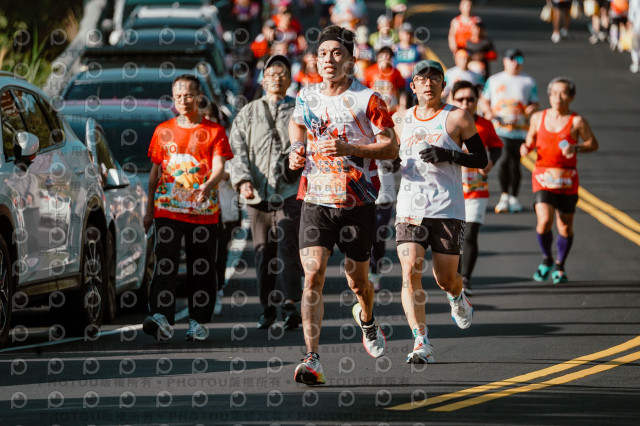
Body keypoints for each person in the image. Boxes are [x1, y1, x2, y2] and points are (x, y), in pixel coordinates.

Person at [288, 25, 399, 385]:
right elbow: (296, 125)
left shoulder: (368, 99)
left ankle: (367, 318)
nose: (329, 60)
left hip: (357, 201)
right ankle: (312, 358)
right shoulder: (306, 96)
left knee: (357, 280)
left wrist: (350, 148)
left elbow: (391, 146)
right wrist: (296, 149)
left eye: (337, 53)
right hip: (316, 198)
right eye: (323, 54)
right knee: (313, 275)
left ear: (351, 60)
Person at [394, 60, 487, 364]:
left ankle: (457, 297)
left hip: (447, 207)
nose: (429, 83)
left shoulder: (458, 117)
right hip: (410, 208)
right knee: (410, 271)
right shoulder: (400, 120)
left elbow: (481, 158)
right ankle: (421, 340)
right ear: (413, 86)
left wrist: (448, 154)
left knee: (445, 278)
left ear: (443, 85)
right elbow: (389, 156)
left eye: (435, 78)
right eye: (422, 79)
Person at [142, 74, 233, 341]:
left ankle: (198, 321)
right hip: (167, 209)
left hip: (202, 211)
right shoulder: (163, 130)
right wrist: (149, 211)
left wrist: (208, 185)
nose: (183, 100)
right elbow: (155, 174)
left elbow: (219, 168)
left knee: (201, 267)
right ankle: (161, 316)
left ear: (199, 97)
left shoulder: (214, 131)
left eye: (188, 95)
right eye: (178, 96)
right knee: (165, 263)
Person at [229, 55, 304, 330]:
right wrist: (242, 180)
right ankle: (267, 307)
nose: (276, 78)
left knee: (288, 247)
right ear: (263, 79)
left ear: (289, 79)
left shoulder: (299, 110)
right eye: (271, 74)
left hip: (290, 191)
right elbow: (236, 149)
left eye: (282, 74)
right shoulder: (248, 112)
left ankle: (291, 304)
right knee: (264, 253)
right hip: (258, 194)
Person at [520, 77, 599, 284]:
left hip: (567, 178)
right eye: (554, 93)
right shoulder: (538, 117)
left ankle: (560, 265)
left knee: (565, 226)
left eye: (563, 93)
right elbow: (530, 140)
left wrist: (576, 147)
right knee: (544, 221)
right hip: (543, 176)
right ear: (549, 95)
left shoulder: (577, 121)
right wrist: (525, 147)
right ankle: (546, 259)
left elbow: (593, 143)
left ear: (571, 97)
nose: (558, 97)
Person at [450, 81, 502, 296]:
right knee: (453, 237)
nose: (466, 103)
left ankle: (466, 279)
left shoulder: (485, 125)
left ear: (477, 101)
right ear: (452, 99)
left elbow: (497, 147)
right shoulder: (445, 122)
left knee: (470, 234)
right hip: (449, 189)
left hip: (476, 189)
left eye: (470, 99)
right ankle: (453, 276)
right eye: (460, 99)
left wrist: (490, 163)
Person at [480, 48, 539, 214]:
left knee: (515, 162)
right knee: (504, 159)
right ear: (505, 61)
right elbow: (484, 99)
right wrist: (488, 111)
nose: (515, 63)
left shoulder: (528, 81)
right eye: (512, 59)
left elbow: (535, 102)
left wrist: (531, 108)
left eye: (519, 59)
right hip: (500, 128)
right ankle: (504, 195)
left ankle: (514, 197)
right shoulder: (494, 80)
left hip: (520, 129)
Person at [368, 158, 399, 292]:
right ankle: (361, 272)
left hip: (383, 196)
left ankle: (374, 272)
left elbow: (398, 158)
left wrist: (394, 162)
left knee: (378, 237)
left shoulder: (389, 141)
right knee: (360, 237)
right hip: (358, 193)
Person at [363, 46, 406, 113]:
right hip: (374, 109)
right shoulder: (369, 71)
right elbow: (364, 90)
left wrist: (402, 106)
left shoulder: (395, 72)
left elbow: (402, 91)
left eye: (388, 57)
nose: (385, 59)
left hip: (391, 109)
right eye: (382, 56)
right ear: (377, 57)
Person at [630, 0, 640, 73]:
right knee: (635, 43)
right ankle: (636, 62)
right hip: (636, 23)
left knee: (635, 44)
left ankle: (636, 62)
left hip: (636, 24)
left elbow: (633, 8)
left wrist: (630, 20)